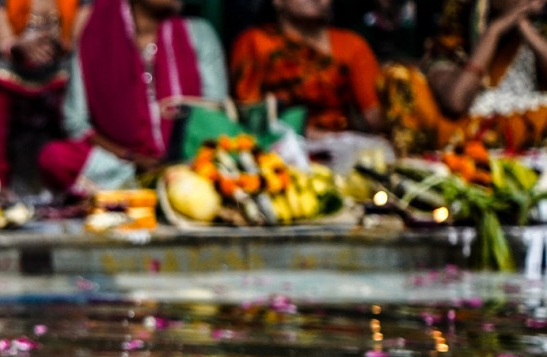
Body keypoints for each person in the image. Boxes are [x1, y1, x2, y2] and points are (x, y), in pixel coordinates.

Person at [37, 0, 227, 195]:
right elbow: (75, 122)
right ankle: (146, 189)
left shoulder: (199, 34)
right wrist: (131, 158)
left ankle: (162, 188)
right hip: (124, 168)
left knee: (231, 157)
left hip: (191, 163)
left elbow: (215, 112)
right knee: (56, 157)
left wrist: (184, 159)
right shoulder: (93, 40)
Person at [384, 0, 547, 153]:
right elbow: (457, 101)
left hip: (529, 144)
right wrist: (494, 32)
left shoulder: (537, 37)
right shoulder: (451, 45)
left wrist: (523, 25)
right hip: (468, 149)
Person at [230, 0, 384, 134]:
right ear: (277, 1)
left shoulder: (353, 45)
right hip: (275, 150)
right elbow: (247, 115)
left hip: (340, 149)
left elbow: (374, 116)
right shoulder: (255, 42)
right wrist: (304, 134)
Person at [0, 0, 77, 194]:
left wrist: (50, 45)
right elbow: (3, 42)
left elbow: (78, 41)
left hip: (60, 63)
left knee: (75, 84)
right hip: (16, 64)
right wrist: (22, 46)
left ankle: (70, 180)